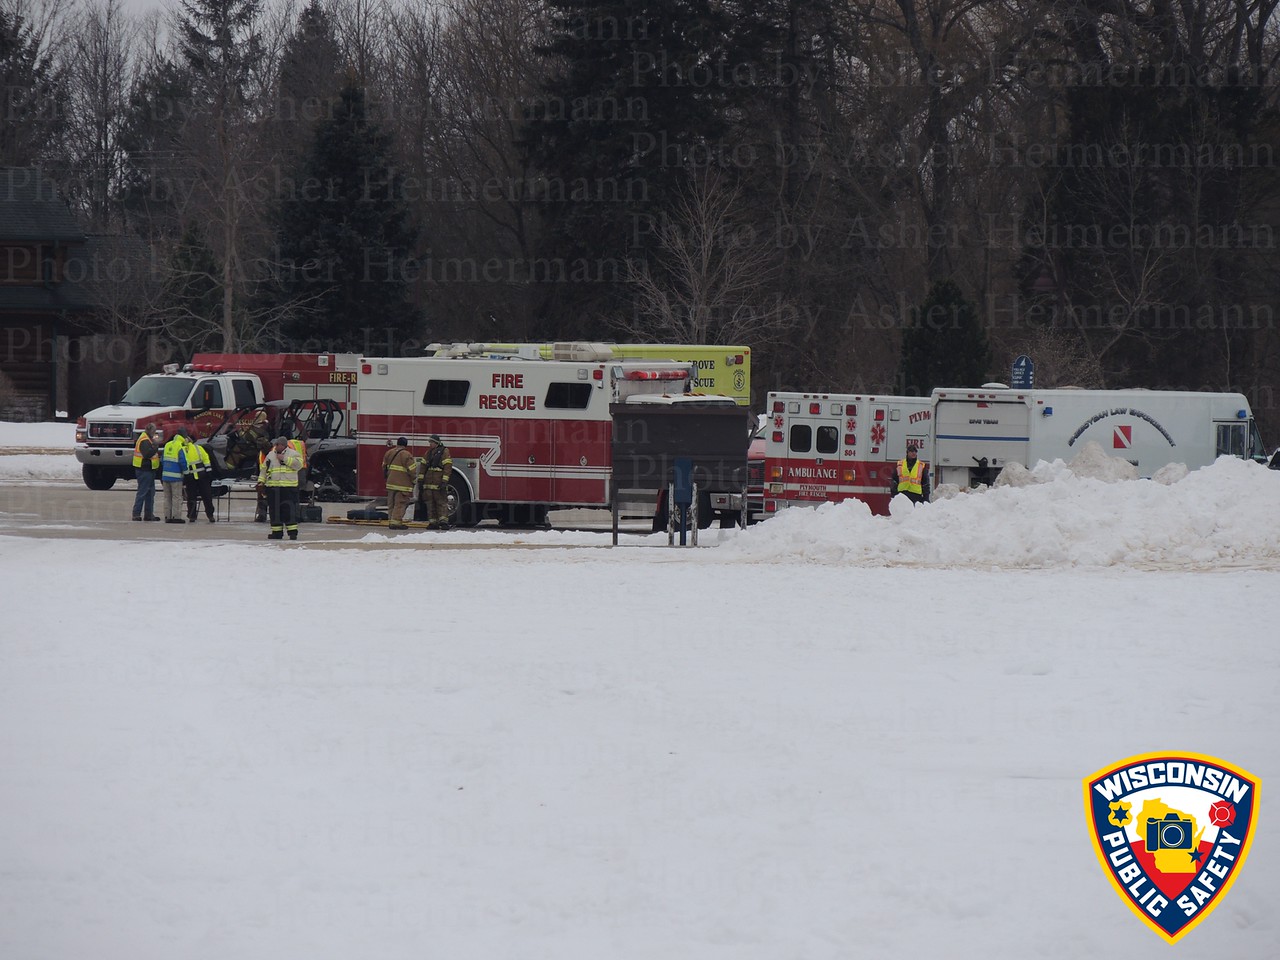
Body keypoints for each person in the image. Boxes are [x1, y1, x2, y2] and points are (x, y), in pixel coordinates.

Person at [258, 434, 304, 540]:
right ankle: (277, 532)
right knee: (274, 511)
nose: (275, 447)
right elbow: (264, 470)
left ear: (283, 445)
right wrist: (261, 482)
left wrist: (285, 459)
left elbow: (299, 465)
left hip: (288, 488)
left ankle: (292, 533)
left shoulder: (293, 454)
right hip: (273, 488)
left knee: (289, 511)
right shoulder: (270, 455)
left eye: (277, 445)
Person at [417, 434, 453, 527]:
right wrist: (421, 480)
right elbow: (423, 466)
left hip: (438, 482)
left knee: (441, 502)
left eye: (432, 442)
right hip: (428, 483)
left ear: (437, 443)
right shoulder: (428, 453)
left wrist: (444, 481)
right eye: (430, 443)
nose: (430, 444)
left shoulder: (444, 451)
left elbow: (447, 467)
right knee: (430, 504)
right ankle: (433, 522)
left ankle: (443, 522)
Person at [382, 436, 417, 530]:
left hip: (390, 483)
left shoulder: (389, 452)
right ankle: (396, 523)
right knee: (400, 503)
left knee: (391, 503)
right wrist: (414, 480)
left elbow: (384, 467)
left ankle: (391, 521)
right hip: (402, 485)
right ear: (406, 445)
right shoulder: (407, 455)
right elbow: (412, 470)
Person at [131, 423, 162, 521]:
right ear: (150, 430)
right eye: (154, 430)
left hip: (149, 469)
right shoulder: (144, 440)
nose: (155, 432)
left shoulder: (147, 439)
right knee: (143, 492)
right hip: (144, 470)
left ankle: (148, 514)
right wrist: (155, 447)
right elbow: (147, 454)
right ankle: (136, 514)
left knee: (150, 493)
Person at [182, 434, 216, 522]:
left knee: (191, 497)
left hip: (190, 477)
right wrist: (209, 471)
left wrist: (185, 475)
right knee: (207, 496)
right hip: (202, 476)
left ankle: (192, 516)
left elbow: (182, 463)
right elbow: (206, 459)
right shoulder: (199, 448)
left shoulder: (183, 450)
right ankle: (210, 515)